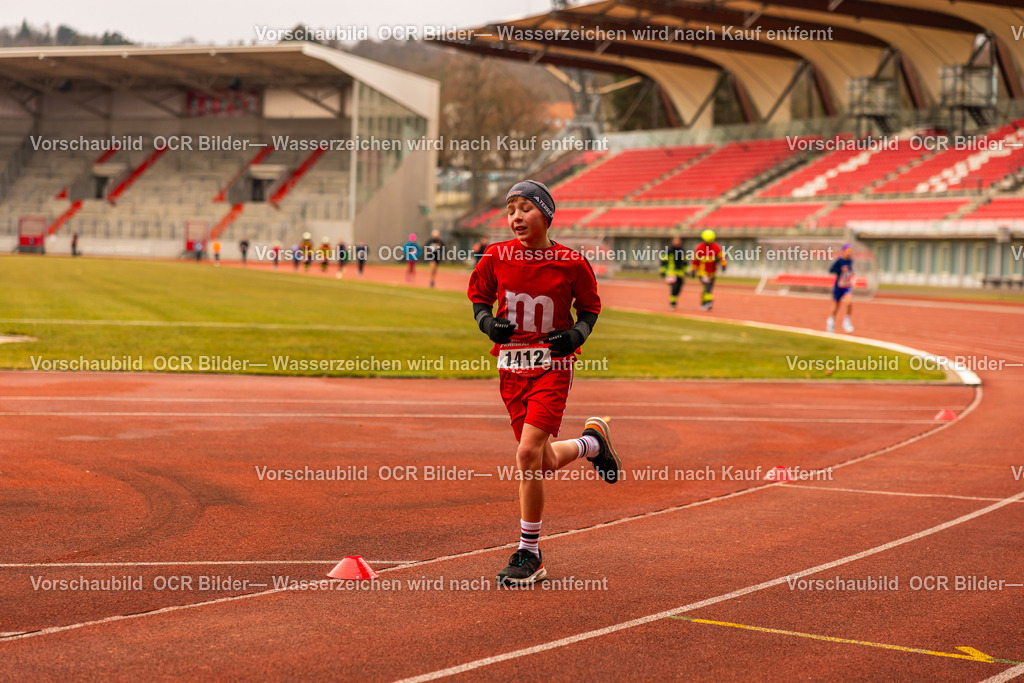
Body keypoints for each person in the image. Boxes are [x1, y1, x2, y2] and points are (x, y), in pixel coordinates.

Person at [467, 179, 621, 587]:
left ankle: (530, 553)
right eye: (511, 209)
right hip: (510, 368)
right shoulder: (495, 256)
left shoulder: (570, 262)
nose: (516, 216)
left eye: (526, 208)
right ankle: (592, 443)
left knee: (526, 453)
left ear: (546, 214)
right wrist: (487, 323)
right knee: (542, 459)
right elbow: (479, 297)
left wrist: (576, 336)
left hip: (553, 366)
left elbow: (589, 307)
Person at [690, 229, 726, 311]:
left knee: (708, 288)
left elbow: (722, 257)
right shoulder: (700, 248)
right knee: (707, 287)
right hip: (702, 272)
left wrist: (723, 265)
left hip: (712, 272)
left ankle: (704, 303)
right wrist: (693, 270)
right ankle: (709, 302)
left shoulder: (716, 247)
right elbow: (695, 260)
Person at [828, 243, 855, 333]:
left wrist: (851, 273)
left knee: (849, 302)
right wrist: (840, 270)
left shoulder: (850, 261)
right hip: (839, 286)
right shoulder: (839, 261)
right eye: (847, 251)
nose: (849, 253)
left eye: (850, 251)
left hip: (846, 286)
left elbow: (850, 270)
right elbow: (831, 270)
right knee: (836, 305)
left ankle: (846, 321)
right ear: (843, 252)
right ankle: (831, 321)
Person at [659, 236, 688, 309]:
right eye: (676, 241)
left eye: (678, 241)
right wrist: (662, 270)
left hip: (680, 273)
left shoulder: (682, 251)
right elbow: (663, 261)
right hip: (671, 272)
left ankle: (674, 298)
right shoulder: (668, 251)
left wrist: (686, 271)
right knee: (674, 287)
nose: (677, 243)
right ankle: (673, 301)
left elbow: (685, 262)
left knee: (679, 287)